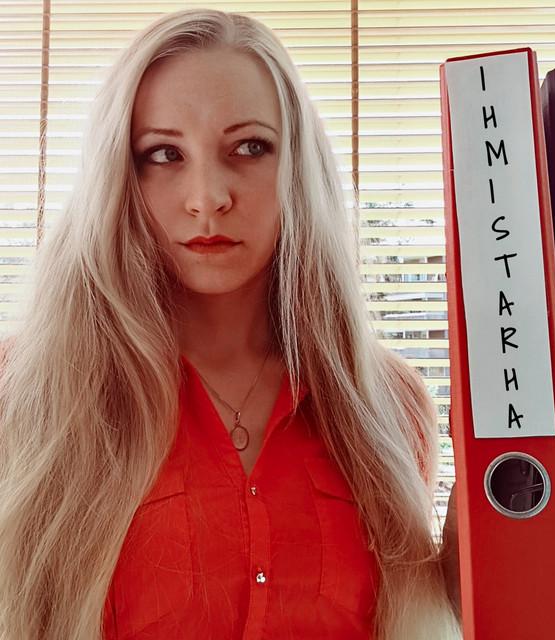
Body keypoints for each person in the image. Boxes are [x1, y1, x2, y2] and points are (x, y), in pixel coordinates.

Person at [0, 9, 460, 640]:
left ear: (298, 167)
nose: (208, 198)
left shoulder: (390, 404)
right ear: (119, 177)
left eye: (248, 148)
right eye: (164, 154)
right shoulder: (22, 390)